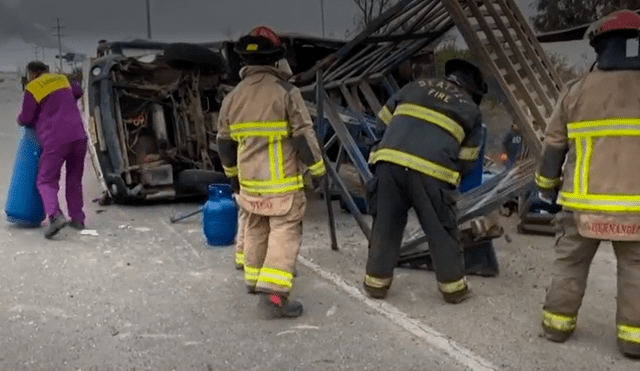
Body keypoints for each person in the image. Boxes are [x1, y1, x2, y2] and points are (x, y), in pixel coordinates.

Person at [535, 9, 640, 359]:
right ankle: (633, 341)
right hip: (636, 210)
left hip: (581, 207)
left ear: (599, 48)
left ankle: (555, 327)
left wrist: (546, 191)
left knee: (569, 265)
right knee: (636, 272)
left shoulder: (575, 92)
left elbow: (553, 146)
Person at [216, 26, 326, 318]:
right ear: (276, 60)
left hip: (250, 184)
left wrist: (233, 176)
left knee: (254, 227)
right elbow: (304, 136)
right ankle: (274, 296)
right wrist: (318, 170)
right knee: (284, 231)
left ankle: (254, 281)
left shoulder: (232, 98)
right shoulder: (286, 93)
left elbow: (224, 144)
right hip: (282, 183)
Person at [363, 58, 487, 303]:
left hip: (389, 163)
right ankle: (453, 290)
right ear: (472, 89)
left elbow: (381, 122)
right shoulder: (471, 110)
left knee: (386, 224)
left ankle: (376, 284)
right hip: (432, 173)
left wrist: (384, 150)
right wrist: (450, 180)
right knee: (441, 229)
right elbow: (469, 159)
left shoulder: (413, 87)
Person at [17, 61, 88, 239]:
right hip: (78, 136)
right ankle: (78, 218)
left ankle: (55, 216)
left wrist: (21, 120)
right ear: (47, 71)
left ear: (32, 74)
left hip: (56, 139)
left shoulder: (33, 87)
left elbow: (26, 117)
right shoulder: (62, 79)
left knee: (46, 180)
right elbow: (78, 91)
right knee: (74, 178)